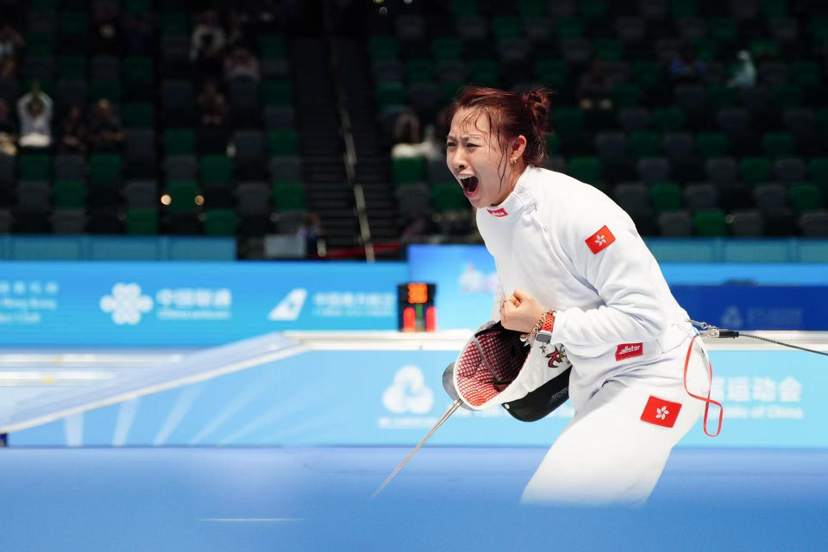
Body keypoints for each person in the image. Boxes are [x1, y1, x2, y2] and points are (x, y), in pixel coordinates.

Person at [444, 86, 715, 506]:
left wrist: (545, 323)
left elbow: (646, 317)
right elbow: (520, 301)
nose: (458, 159)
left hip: (656, 376)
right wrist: (502, 356)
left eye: (472, 145)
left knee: (549, 508)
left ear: (515, 148)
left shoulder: (577, 212)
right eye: (451, 145)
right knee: (605, 527)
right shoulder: (491, 217)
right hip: (597, 383)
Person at [17, 82, 53, 149]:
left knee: (47, 140)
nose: (35, 110)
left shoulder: (45, 117)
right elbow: (21, 104)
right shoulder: (25, 117)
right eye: (33, 108)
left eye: (37, 108)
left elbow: (49, 104)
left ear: (41, 108)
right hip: (27, 138)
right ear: (30, 109)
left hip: (42, 138)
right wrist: (31, 95)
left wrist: (39, 94)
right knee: (23, 141)